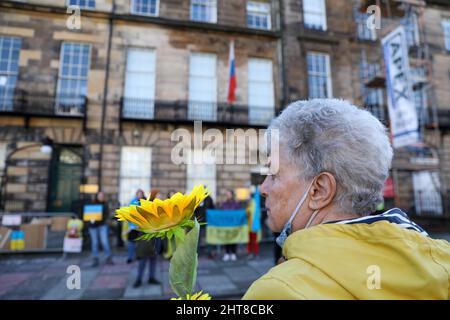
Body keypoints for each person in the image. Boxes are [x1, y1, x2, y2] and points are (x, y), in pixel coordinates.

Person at [243, 99, 450, 299]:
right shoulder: (441, 263)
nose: (263, 188)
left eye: (274, 174)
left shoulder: (277, 291)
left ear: (319, 190)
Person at [133, 188, 162, 288]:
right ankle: (139, 279)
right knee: (143, 258)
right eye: (159, 195)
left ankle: (151, 277)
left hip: (156, 236)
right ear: (154, 196)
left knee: (153, 258)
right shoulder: (146, 205)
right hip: (146, 236)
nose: (160, 196)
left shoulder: (161, 206)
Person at [87, 191, 114, 267]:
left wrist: (105, 219)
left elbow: (107, 214)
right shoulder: (92, 203)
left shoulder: (105, 204)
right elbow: (88, 213)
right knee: (95, 243)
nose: (101, 197)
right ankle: (95, 258)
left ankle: (108, 257)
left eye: (102, 196)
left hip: (102, 225)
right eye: (100, 196)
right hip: (93, 226)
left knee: (104, 241)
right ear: (97, 196)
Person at [220, 189, 240, 262]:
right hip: (226, 224)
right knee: (227, 239)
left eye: (229, 194)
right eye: (227, 194)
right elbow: (221, 212)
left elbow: (238, 213)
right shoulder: (224, 203)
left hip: (233, 224)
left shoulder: (235, 203)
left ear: (232, 195)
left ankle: (233, 253)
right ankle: (227, 253)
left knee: (234, 239)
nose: (228, 195)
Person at [126, 189, 145, 263]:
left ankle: (138, 255)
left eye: (141, 194)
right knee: (131, 243)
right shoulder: (132, 202)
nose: (140, 195)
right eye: (139, 194)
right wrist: (131, 225)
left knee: (139, 243)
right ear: (136, 194)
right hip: (133, 227)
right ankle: (130, 257)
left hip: (141, 226)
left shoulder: (144, 202)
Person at [246, 188, 261, 259]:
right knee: (250, 241)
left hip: (254, 227)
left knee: (254, 241)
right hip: (249, 227)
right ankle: (250, 253)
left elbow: (257, 215)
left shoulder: (254, 205)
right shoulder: (249, 206)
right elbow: (247, 214)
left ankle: (255, 253)